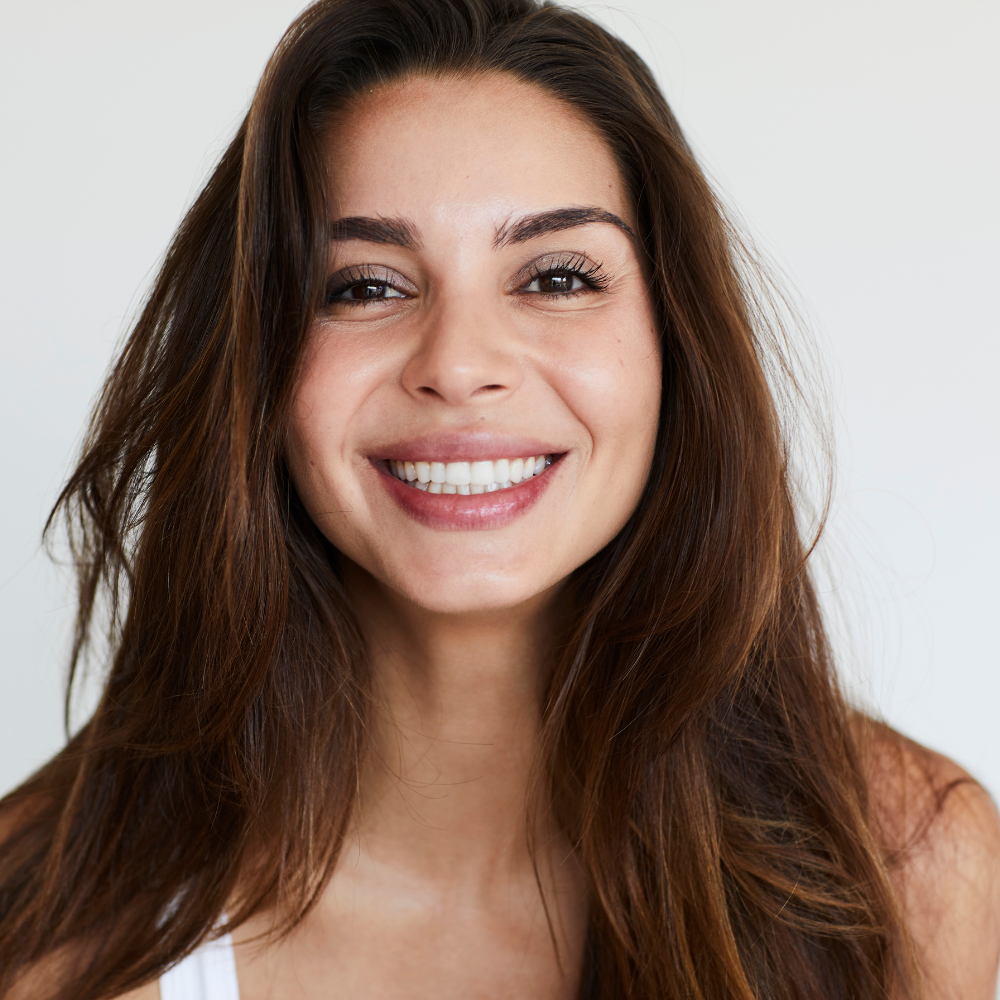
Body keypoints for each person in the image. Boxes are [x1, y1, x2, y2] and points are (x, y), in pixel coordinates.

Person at [1, 0, 998, 997]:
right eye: (364, 285)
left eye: (556, 276)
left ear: (672, 344)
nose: (459, 363)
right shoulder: (46, 920)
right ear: (255, 364)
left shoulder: (906, 863)